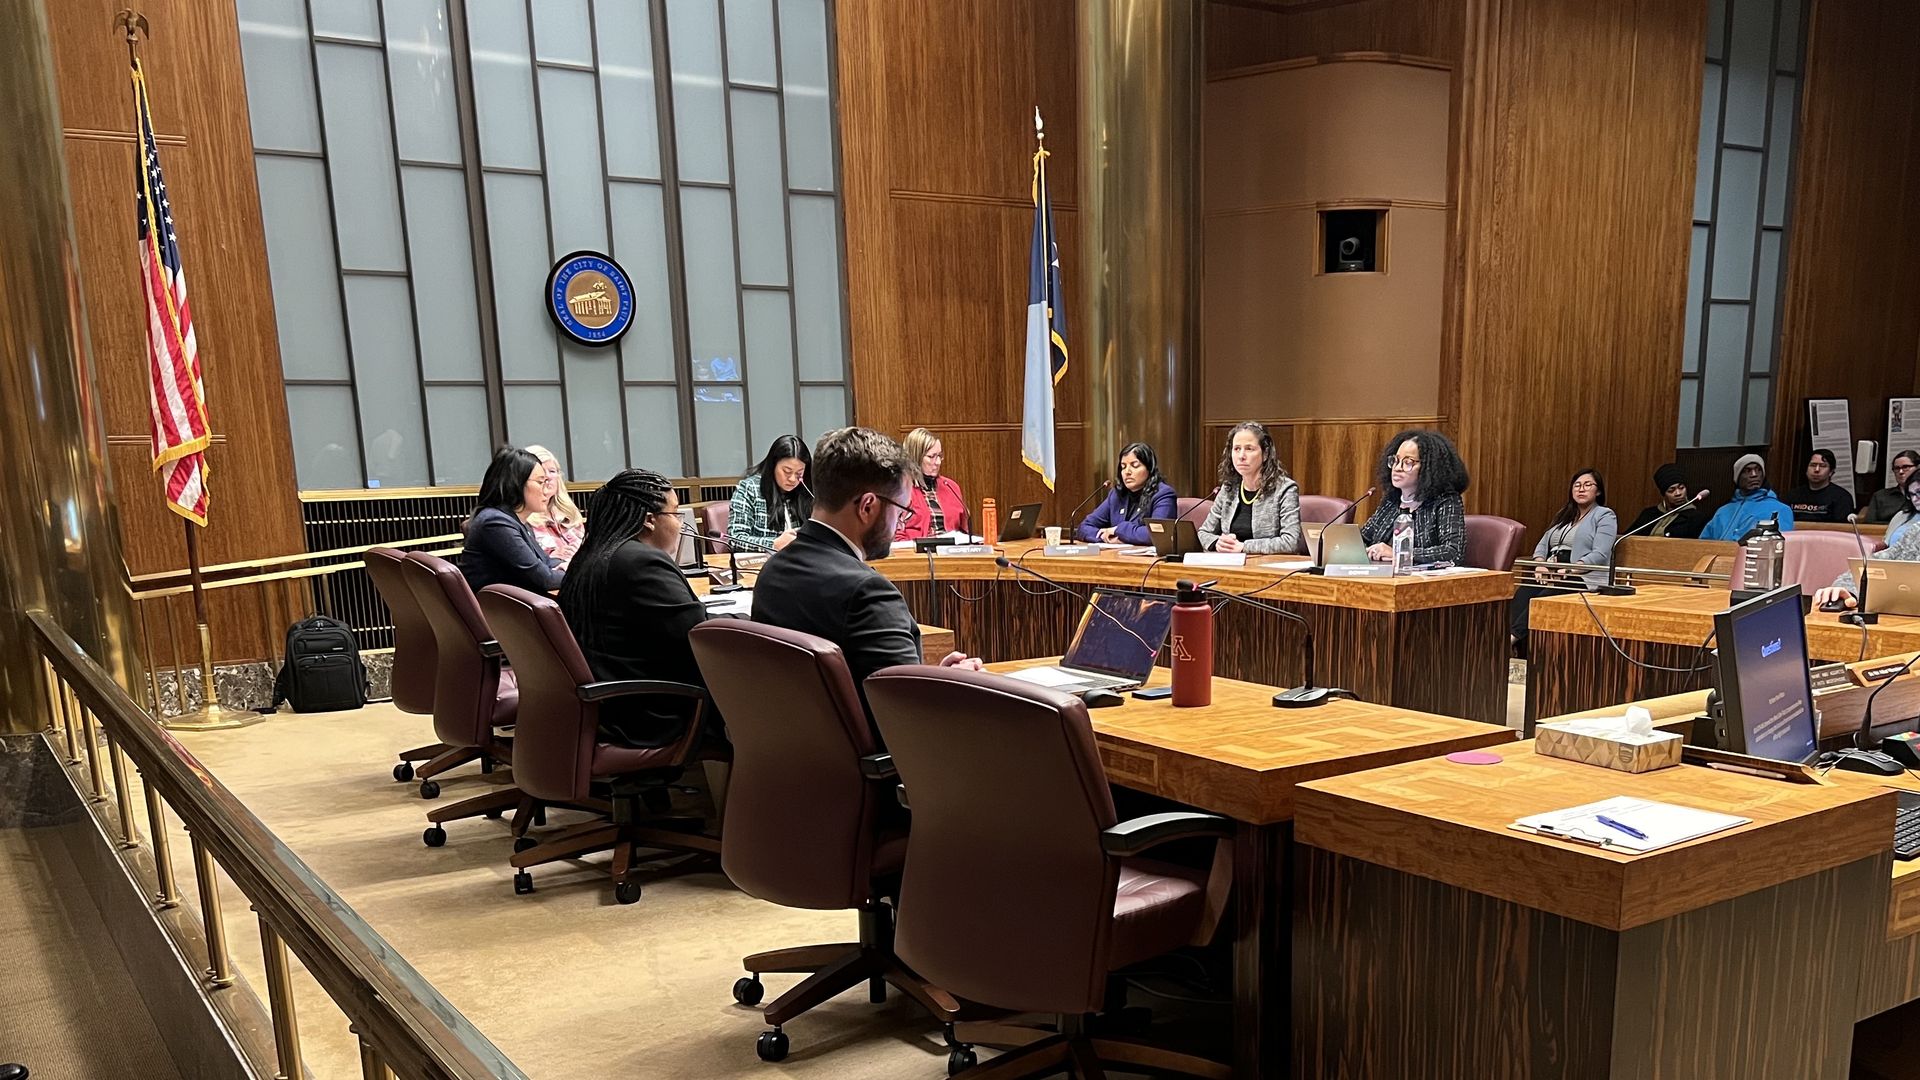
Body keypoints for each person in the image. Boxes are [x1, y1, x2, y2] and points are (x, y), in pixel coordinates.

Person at [752, 428, 982, 728]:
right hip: (876, 765)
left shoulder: (772, 573)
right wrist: (958, 690)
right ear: (868, 506)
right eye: (902, 510)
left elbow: (853, 686)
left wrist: (933, 678)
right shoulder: (868, 593)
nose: (903, 520)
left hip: (797, 757)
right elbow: (910, 721)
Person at [558, 469, 717, 749]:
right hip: (649, 712)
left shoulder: (592, 555)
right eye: (676, 515)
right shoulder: (641, 564)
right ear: (649, 520)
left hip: (606, 702)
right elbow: (699, 637)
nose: (681, 525)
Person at [1510, 469, 1618, 657]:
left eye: (1587, 485)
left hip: (1582, 576)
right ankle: (1517, 650)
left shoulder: (1604, 515)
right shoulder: (1565, 515)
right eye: (1577, 485)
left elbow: (1601, 553)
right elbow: (1543, 544)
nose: (1581, 489)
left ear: (1598, 491)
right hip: (1552, 570)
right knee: (1522, 594)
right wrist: (1540, 564)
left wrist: (1572, 569)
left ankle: (1511, 640)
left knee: (1542, 600)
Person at [1812, 468, 1920, 610]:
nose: (1915, 499)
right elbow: (1876, 564)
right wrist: (1845, 590)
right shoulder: (1916, 531)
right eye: (1912, 494)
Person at [461, 447, 564, 593]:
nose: (546, 490)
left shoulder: (515, 520)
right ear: (517, 483)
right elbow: (544, 579)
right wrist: (582, 575)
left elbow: (545, 561)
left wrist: (568, 565)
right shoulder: (495, 523)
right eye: (541, 482)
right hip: (500, 612)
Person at [1359, 429, 1469, 566]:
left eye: (1408, 462)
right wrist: (1365, 550)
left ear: (1430, 467)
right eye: (1396, 460)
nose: (1397, 468)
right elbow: (1363, 538)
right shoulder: (1392, 500)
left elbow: (1453, 552)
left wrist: (1398, 553)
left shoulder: (1446, 500)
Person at [1196, 422, 1303, 555]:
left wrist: (1243, 547)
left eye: (1249, 449)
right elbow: (1204, 532)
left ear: (1265, 454)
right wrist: (1218, 543)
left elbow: (1291, 542)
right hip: (1230, 565)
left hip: (1268, 569)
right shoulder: (1229, 488)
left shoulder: (1285, 489)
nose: (1241, 456)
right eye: (1236, 449)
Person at [1077, 442, 1178, 545]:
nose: (1127, 472)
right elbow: (1084, 527)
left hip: (1148, 560)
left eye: (1134, 466)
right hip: (1116, 557)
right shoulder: (1116, 495)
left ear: (1149, 469)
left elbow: (1157, 534)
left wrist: (1118, 530)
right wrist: (1105, 537)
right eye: (1123, 467)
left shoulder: (1163, 495)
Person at [727, 434, 812, 552]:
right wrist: (773, 544)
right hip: (765, 565)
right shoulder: (749, 489)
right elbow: (735, 539)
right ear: (773, 466)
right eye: (787, 471)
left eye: (799, 473)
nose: (793, 479)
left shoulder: (807, 491)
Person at [893, 427, 970, 541]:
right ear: (916, 457)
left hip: (951, 554)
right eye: (931, 457)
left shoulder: (951, 487)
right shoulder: (900, 488)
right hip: (916, 555)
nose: (938, 462)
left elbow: (964, 531)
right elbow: (895, 537)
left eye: (939, 456)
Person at [1699, 454, 1795, 541]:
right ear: (1738, 477)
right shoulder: (1723, 511)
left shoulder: (1779, 509)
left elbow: (1780, 545)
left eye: (1758, 470)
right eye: (1747, 471)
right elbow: (1702, 543)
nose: (1754, 475)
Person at [523, 444, 585, 563]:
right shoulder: (523, 519)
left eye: (552, 471)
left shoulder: (569, 513)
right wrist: (550, 558)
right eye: (540, 472)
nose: (547, 477)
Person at [1627, 463, 1707, 539]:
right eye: (1671, 490)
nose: (1678, 493)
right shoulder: (1649, 514)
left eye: (1681, 488)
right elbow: (1627, 537)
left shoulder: (1696, 518)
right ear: (1664, 494)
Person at [1782, 448, 1854, 524]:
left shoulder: (1842, 497)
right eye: (1813, 465)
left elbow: (1842, 528)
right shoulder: (1792, 495)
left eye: (1823, 466)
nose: (1816, 470)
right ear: (1806, 469)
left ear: (1831, 472)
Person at [1860, 450, 1919, 527]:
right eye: (1897, 468)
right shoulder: (1880, 496)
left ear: (1918, 467)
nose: (1901, 472)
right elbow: (1869, 525)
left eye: (1906, 467)